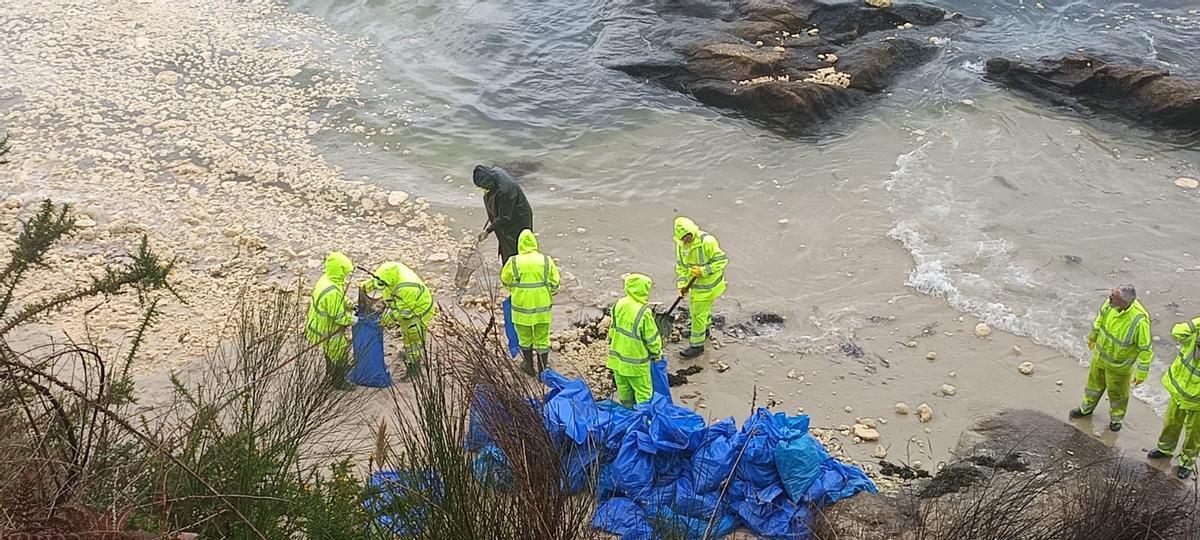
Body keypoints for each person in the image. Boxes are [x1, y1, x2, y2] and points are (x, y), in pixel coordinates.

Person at [1070, 284, 1152, 432]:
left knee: (1118, 395)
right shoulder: (1110, 305)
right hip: (1100, 357)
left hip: (1119, 367)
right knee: (1093, 387)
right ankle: (1086, 409)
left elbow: (1145, 349)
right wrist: (1093, 336)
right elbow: (1099, 320)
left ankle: (1116, 419)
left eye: (1113, 296)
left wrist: (1142, 372)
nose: (1109, 297)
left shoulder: (1139, 321)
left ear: (1123, 302)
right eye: (1111, 294)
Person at [360, 261, 436, 379]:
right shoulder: (388, 273)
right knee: (407, 333)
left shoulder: (407, 287)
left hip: (418, 311)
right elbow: (379, 281)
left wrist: (386, 320)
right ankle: (408, 354)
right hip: (406, 305)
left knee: (412, 339)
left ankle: (414, 368)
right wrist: (366, 286)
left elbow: (403, 312)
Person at [500, 229, 560, 375]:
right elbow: (555, 283)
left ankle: (528, 365)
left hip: (521, 307)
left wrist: (516, 290)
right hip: (542, 306)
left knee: (524, 337)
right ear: (534, 243)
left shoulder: (513, 261)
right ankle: (543, 370)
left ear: (520, 244)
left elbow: (505, 281)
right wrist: (548, 292)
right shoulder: (546, 260)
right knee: (542, 337)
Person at [1147, 315, 1200, 479]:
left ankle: (1186, 463)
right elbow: (1178, 331)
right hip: (1179, 392)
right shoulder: (1193, 336)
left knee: (1194, 435)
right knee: (1171, 422)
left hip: (1197, 402)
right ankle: (1165, 449)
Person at [673, 216, 728, 359]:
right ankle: (705, 330)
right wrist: (682, 286)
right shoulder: (681, 246)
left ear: (692, 232)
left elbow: (722, 261)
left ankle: (697, 346)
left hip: (708, 286)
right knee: (702, 312)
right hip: (696, 287)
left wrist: (703, 270)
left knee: (697, 314)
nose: (686, 240)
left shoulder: (707, 242)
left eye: (688, 237)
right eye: (683, 238)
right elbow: (681, 267)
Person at [607, 273, 663, 407]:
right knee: (643, 394)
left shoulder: (619, 304)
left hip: (617, 359)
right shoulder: (643, 311)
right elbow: (651, 338)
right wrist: (657, 353)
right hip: (636, 364)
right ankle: (644, 421)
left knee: (624, 391)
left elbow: (612, 330)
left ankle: (628, 414)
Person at [306, 252, 356, 384]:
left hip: (317, 324)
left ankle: (330, 373)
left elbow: (338, 299)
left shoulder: (327, 279)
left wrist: (348, 303)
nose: (346, 275)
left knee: (330, 352)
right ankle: (339, 382)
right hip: (327, 328)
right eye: (345, 271)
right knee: (340, 353)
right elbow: (339, 317)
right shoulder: (332, 291)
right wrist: (353, 319)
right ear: (339, 270)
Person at [473, 165, 534, 263]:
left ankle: (514, 271)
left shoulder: (504, 191)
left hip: (517, 220)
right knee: (505, 244)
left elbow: (505, 217)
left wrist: (487, 231)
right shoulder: (496, 171)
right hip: (509, 211)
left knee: (514, 248)